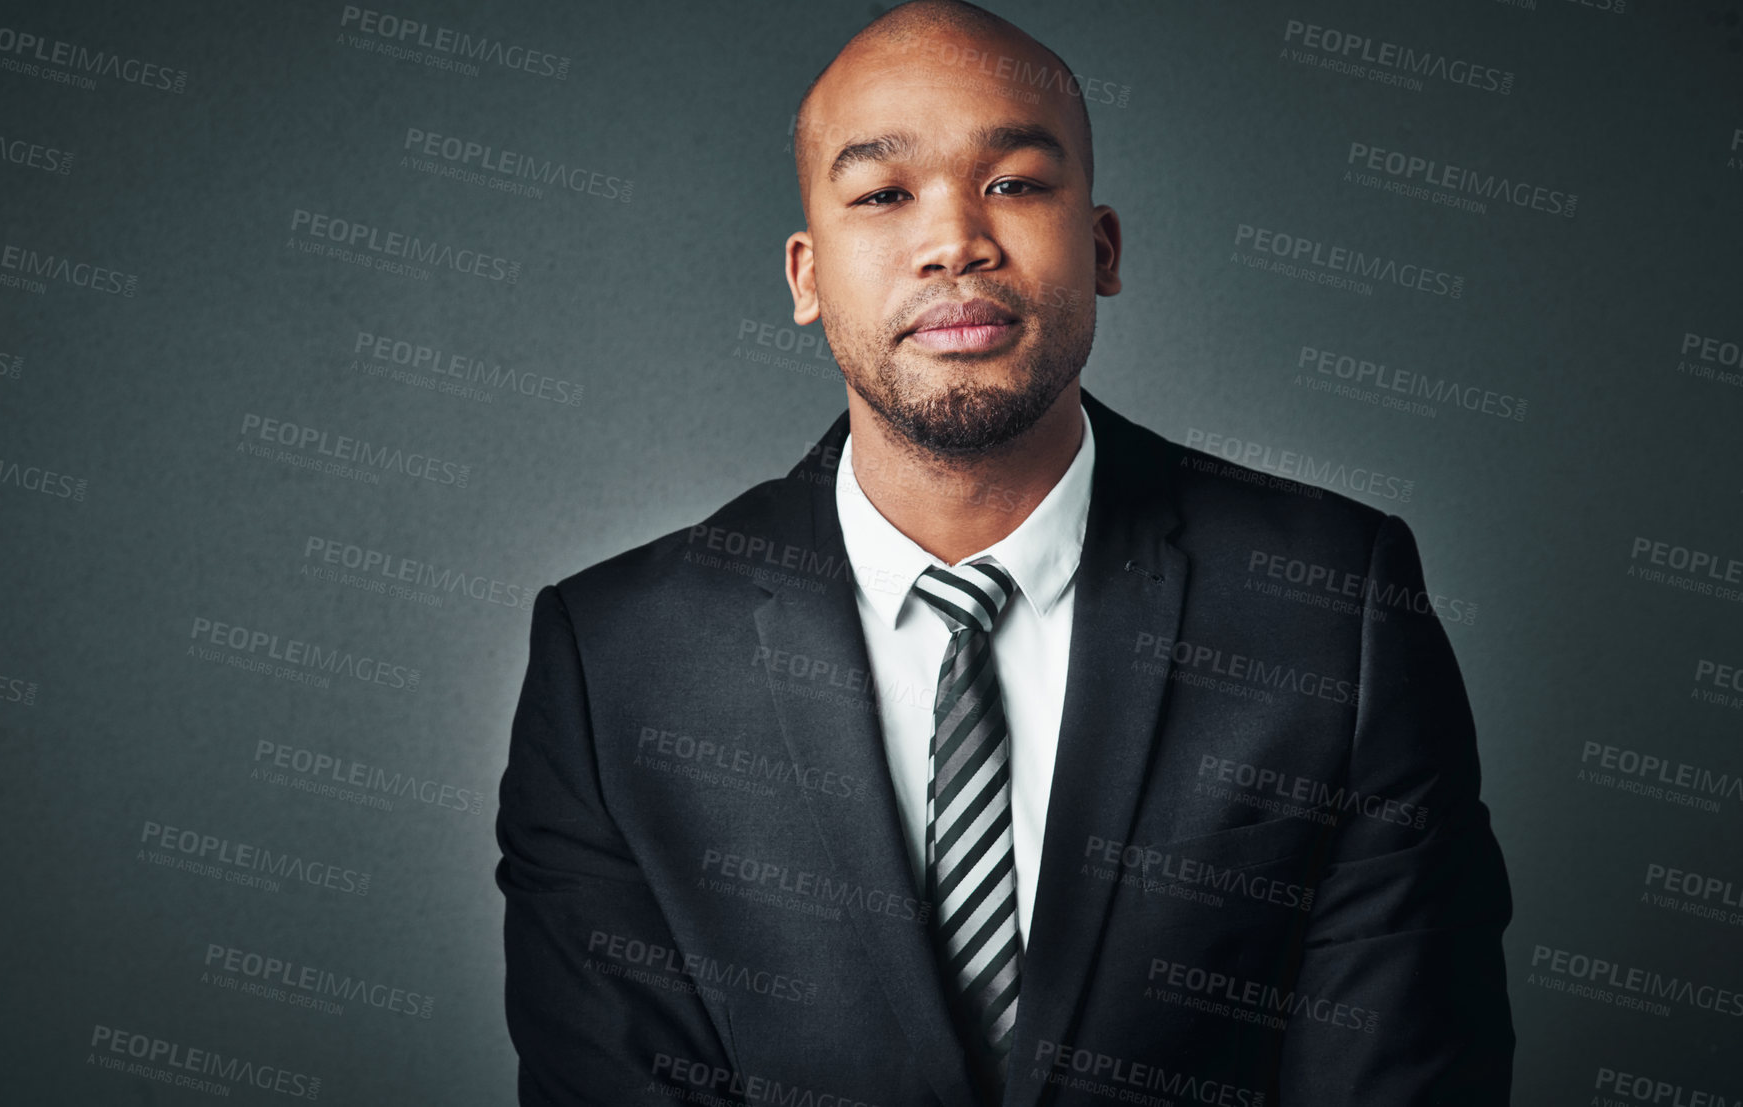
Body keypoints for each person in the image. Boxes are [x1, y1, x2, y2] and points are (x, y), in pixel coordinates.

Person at [495, 2, 1514, 1104]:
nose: (955, 242)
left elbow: (1401, 1074)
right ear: (804, 277)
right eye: (883, 195)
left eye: (1017, 184)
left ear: (1103, 246)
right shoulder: (614, 659)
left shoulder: (1331, 606)